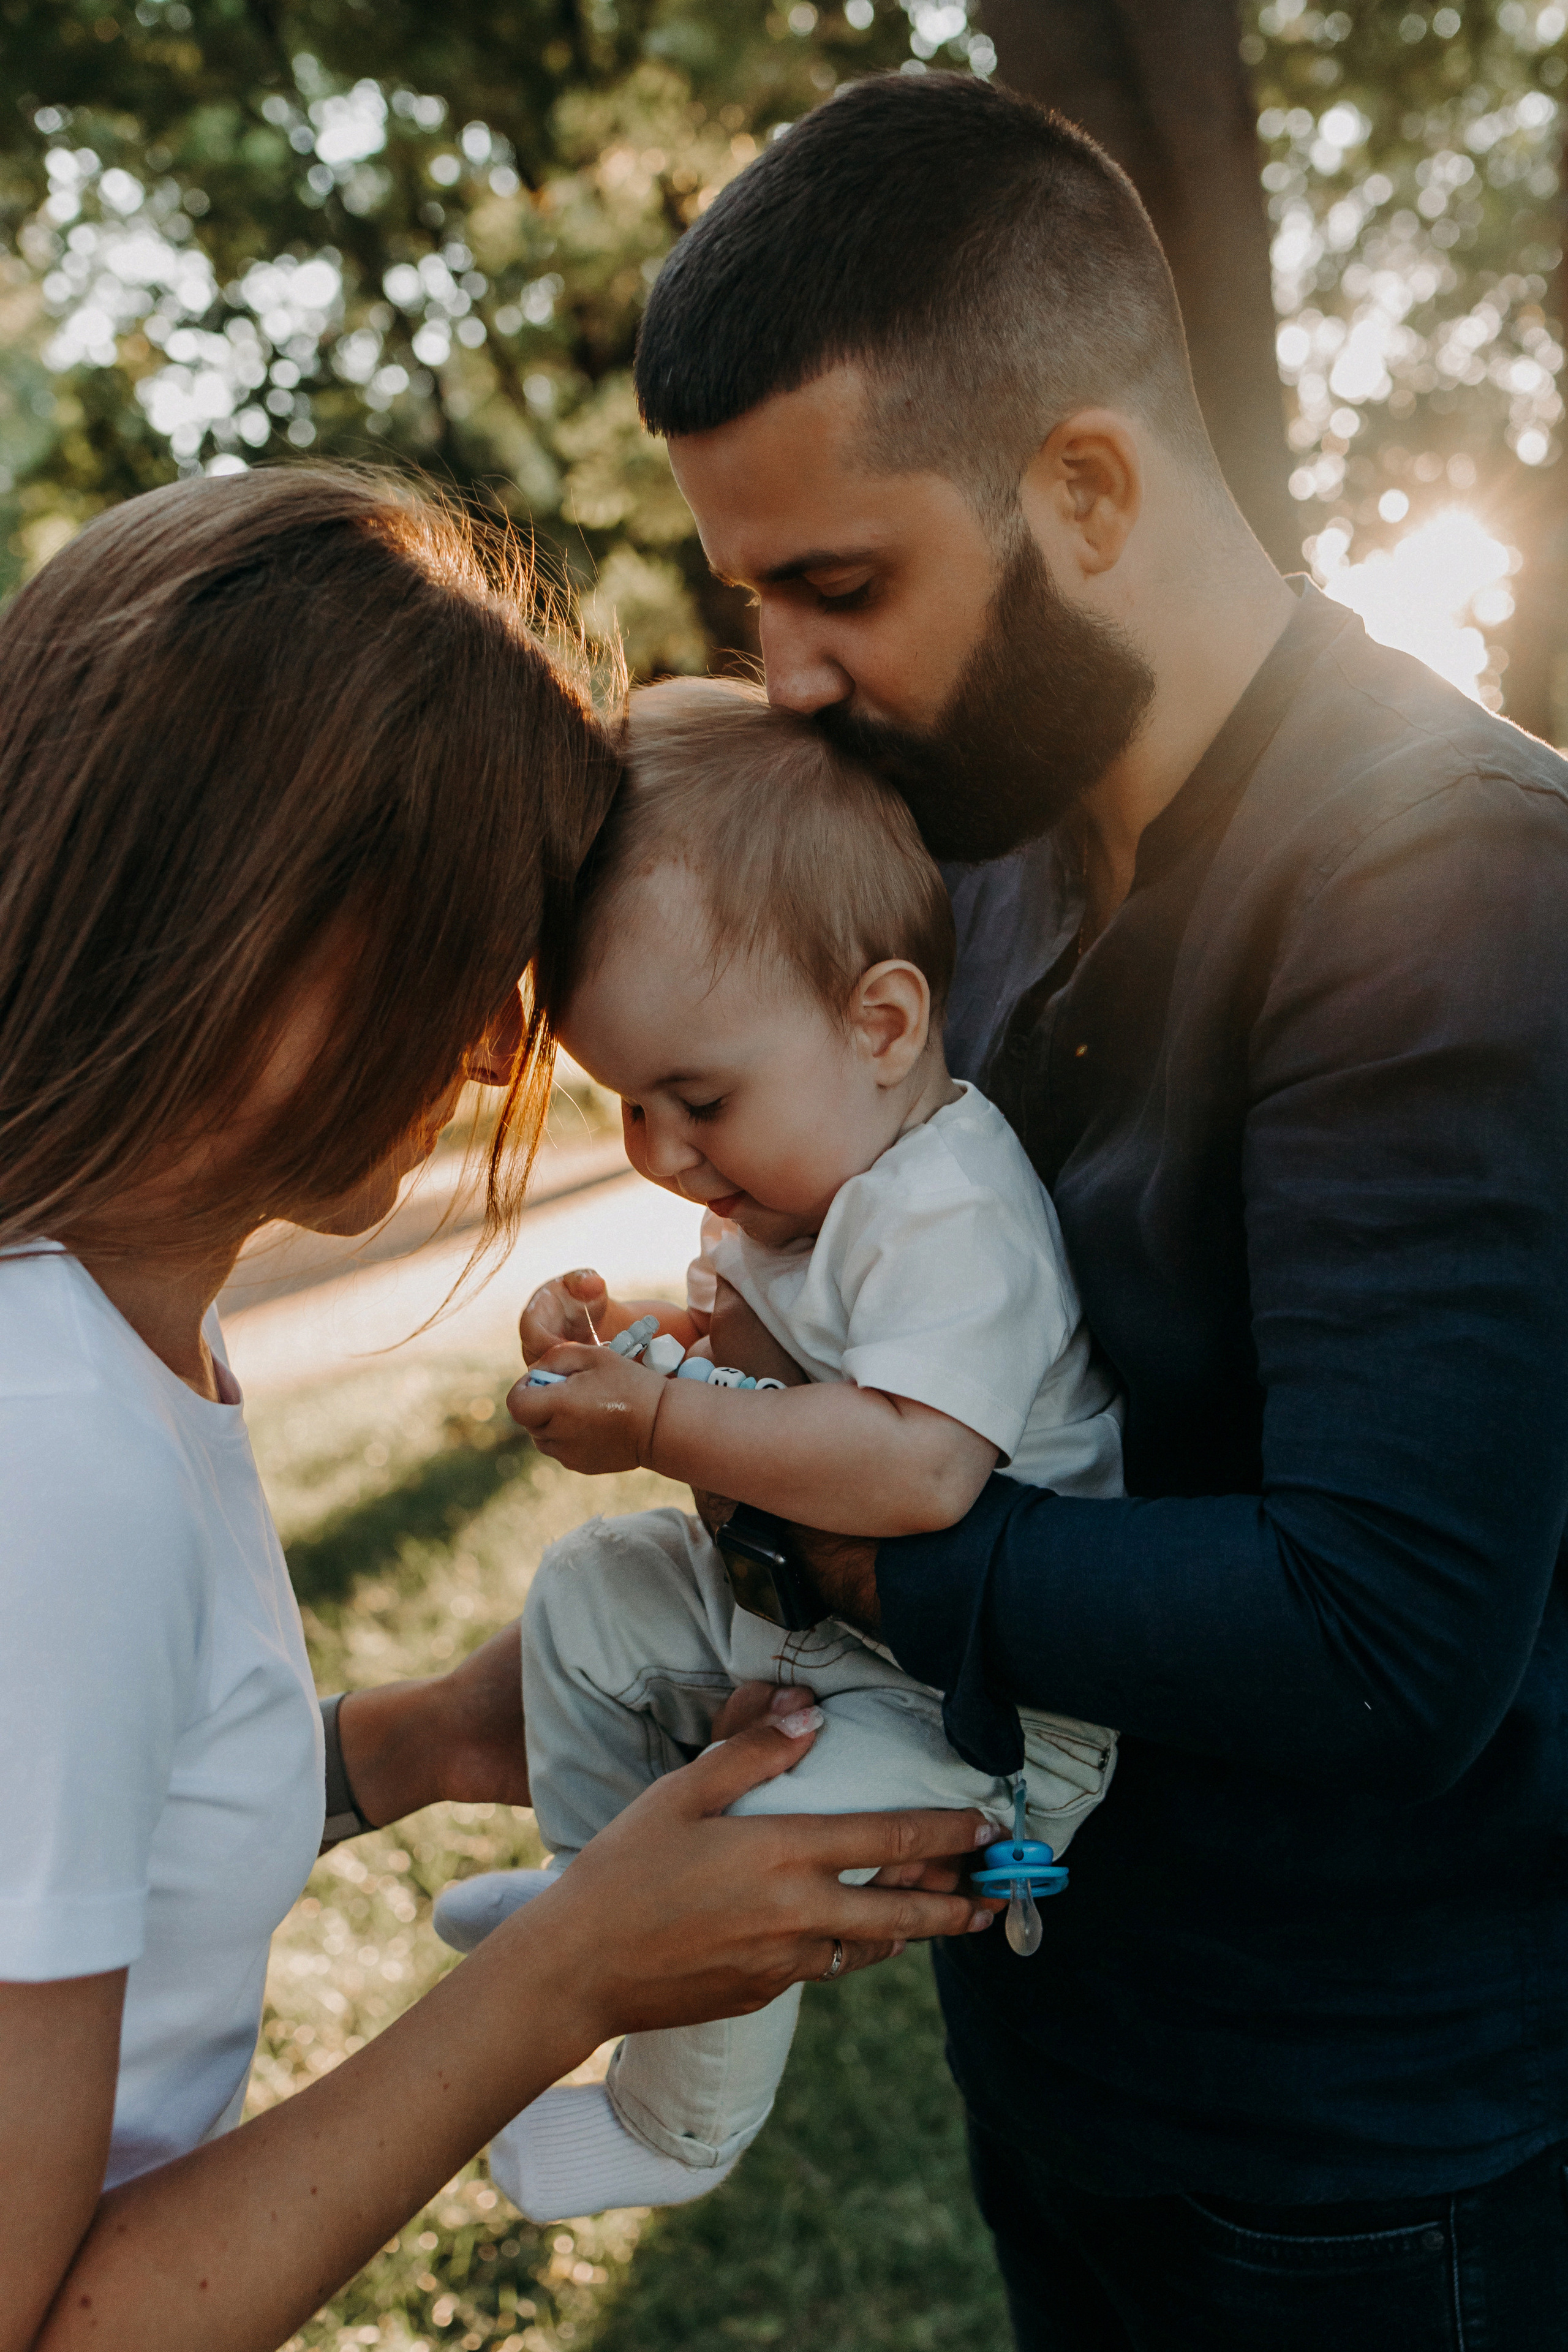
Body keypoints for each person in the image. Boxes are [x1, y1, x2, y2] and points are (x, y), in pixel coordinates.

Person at [524, 69, 1568, 2347]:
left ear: (1082, 486)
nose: (786, 675)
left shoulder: (1443, 882)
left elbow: (1383, 1634)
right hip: (1062, 2046)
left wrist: (814, 1528)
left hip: (1356, 2160)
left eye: (841, 586)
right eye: (754, 599)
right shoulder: (965, 861)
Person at [0, 465, 1000, 2352]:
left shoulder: (111, 1348)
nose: (486, 1050)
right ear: (267, 916)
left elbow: (72, 1824)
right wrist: (559, 1983)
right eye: (470, 956)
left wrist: (424, 1741)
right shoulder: (48, 1452)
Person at [450, 675, 1122, 2223]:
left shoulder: (947, 1209)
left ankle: (674, 2133)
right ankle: (593, 1913)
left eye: (698, 1098)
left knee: (749, 1836)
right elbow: (763, 1377)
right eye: (628, 1106)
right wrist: (634, 1345)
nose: (666, 1153)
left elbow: (915, 1472)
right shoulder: (793, 1185)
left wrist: (666, 1416)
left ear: (878, 1024)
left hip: (991, 1709)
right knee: (584, 1602)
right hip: (820, 1627)